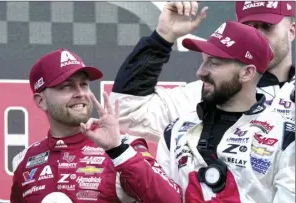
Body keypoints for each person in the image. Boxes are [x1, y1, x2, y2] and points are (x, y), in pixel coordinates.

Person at [0, 48, 183, 203]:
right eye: (66, 86)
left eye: (83, 84)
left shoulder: (122, 147)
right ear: (40, 101)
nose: (80, 93)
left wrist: (117, 150)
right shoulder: (25, 160)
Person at [137, 19, 295, 203]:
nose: (201, 72)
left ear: (247, 72)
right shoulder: (176, 130)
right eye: (203, 61)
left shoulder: (282, 133)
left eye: (215, 63)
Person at [110, 1, 295, 146]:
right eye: (249, 27)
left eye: (266, 26)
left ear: (291, 31)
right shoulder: (206, 93)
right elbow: (128, 112)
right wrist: (162, 37)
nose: (258, 35)